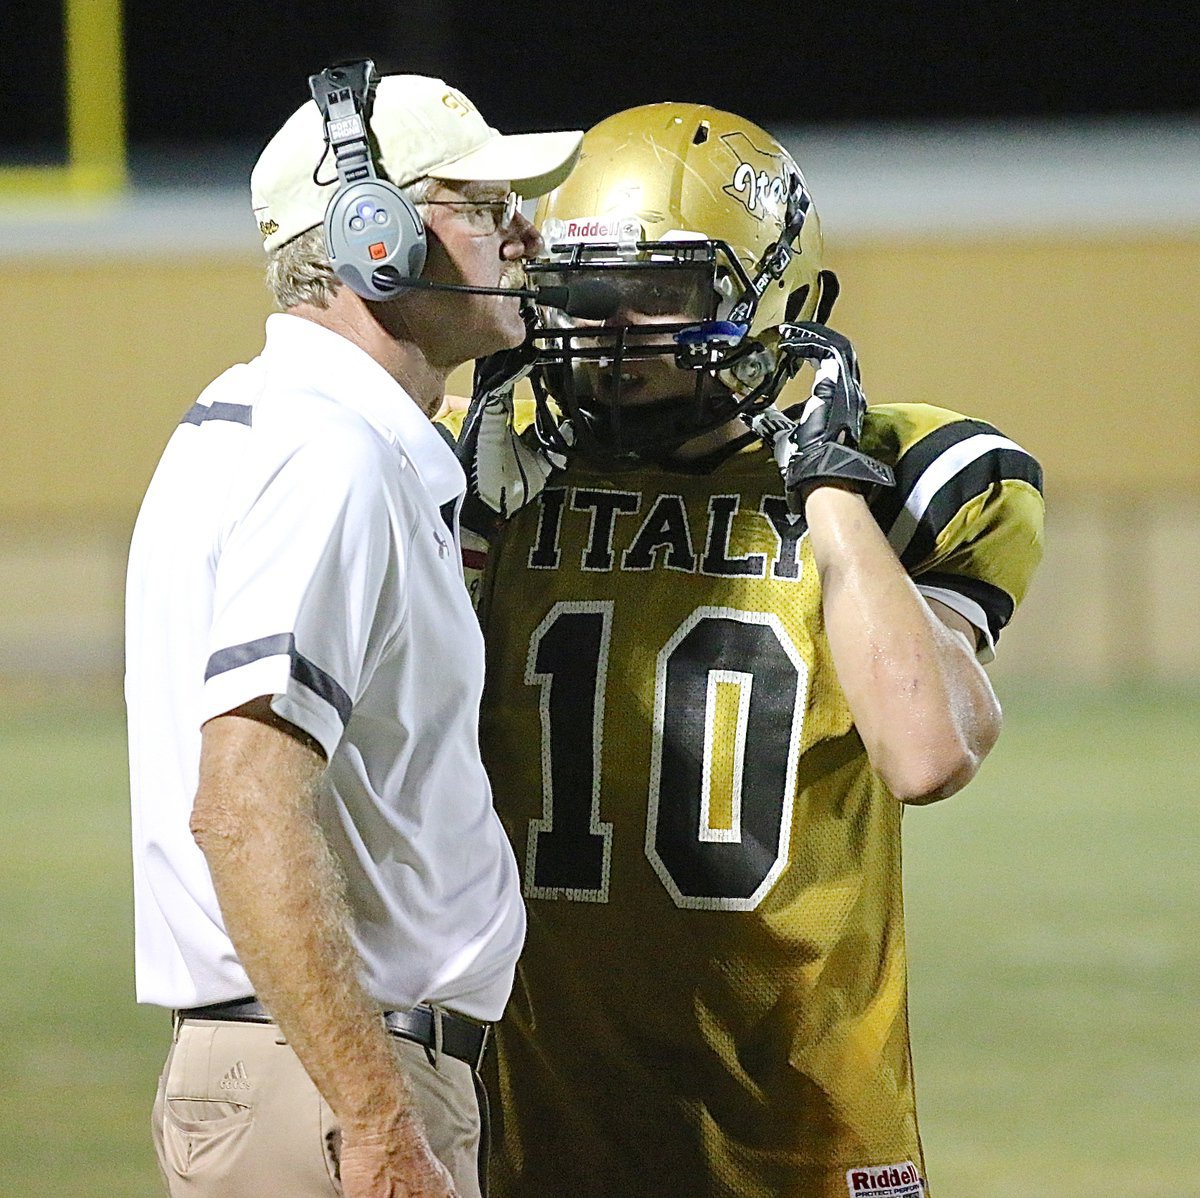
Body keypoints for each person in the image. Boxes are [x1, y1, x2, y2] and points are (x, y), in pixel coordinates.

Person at [457, 103, 1045, 1198]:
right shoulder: (484, 464)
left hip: (808, 1124)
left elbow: (927, 754)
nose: (616, 334)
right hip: (541, 1116)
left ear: (775, 297)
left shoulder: (901, 477)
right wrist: (462, 528)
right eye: (586, 293)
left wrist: (826, 482)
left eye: (662, 294)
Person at [124, 60, 582, 1198]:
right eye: (479, 207)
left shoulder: (278, 424)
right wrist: (377, 1119)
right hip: (335, 1084)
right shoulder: (333, 456)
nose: (520, 234)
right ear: (371, 232)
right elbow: (242, 804)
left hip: (302, 1068)